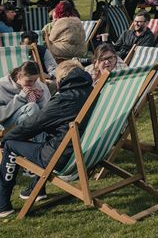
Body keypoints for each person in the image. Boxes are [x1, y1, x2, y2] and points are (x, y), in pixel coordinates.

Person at [0, 60, 93, 218]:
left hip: (61, 156)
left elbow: (35, 124)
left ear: (61, 79)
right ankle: (37, 189)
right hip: (86, 151)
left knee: (11, 145)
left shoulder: (65, 99)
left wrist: (4, 140)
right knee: (42, 139)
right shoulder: (91, 91)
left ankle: (2, 204)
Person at [0, 61, 50, 131]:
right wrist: (20, 98)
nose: (32, 84)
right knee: (32, 106)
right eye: (29, 81)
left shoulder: (39, 85)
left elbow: (46, 112)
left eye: (35, 80)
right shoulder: (2, 85)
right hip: (6, 123)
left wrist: (41, 99)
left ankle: (38, 141)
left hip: (24, 123)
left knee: (26, 118)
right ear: (19, 76)